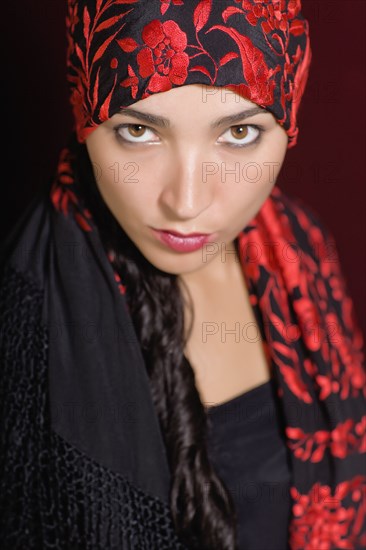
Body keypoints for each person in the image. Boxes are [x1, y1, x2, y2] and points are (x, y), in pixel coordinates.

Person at [0, 1, 365, 549]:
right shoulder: (24, 328)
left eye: (239, 133)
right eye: (139, 132)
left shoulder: (300, 250)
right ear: (86, 116)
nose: (187, 203)